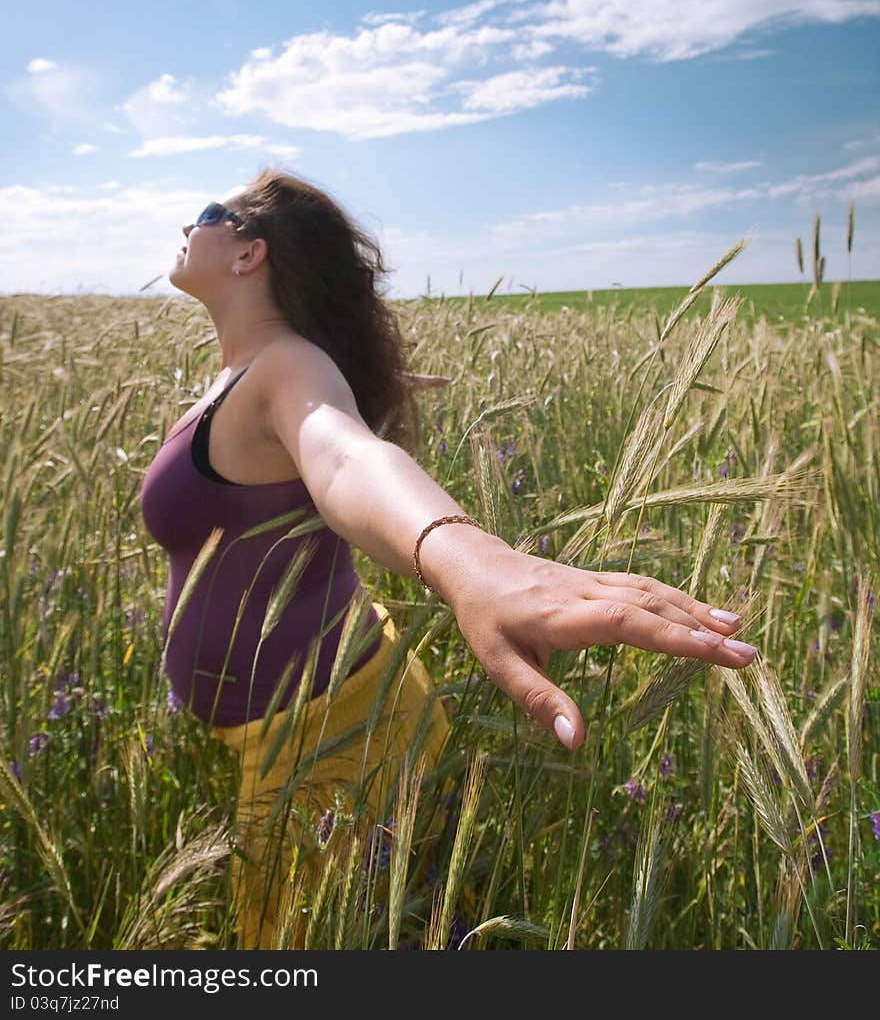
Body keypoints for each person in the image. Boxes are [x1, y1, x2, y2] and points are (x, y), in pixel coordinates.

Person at [139, 166, 756, 949]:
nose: (185, 228)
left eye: (205, 213)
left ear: (248, 252)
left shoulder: (287, 369)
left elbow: (344, 458)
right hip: (297, 718)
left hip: (326, 735)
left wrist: (468, 557)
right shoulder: (245, 375)